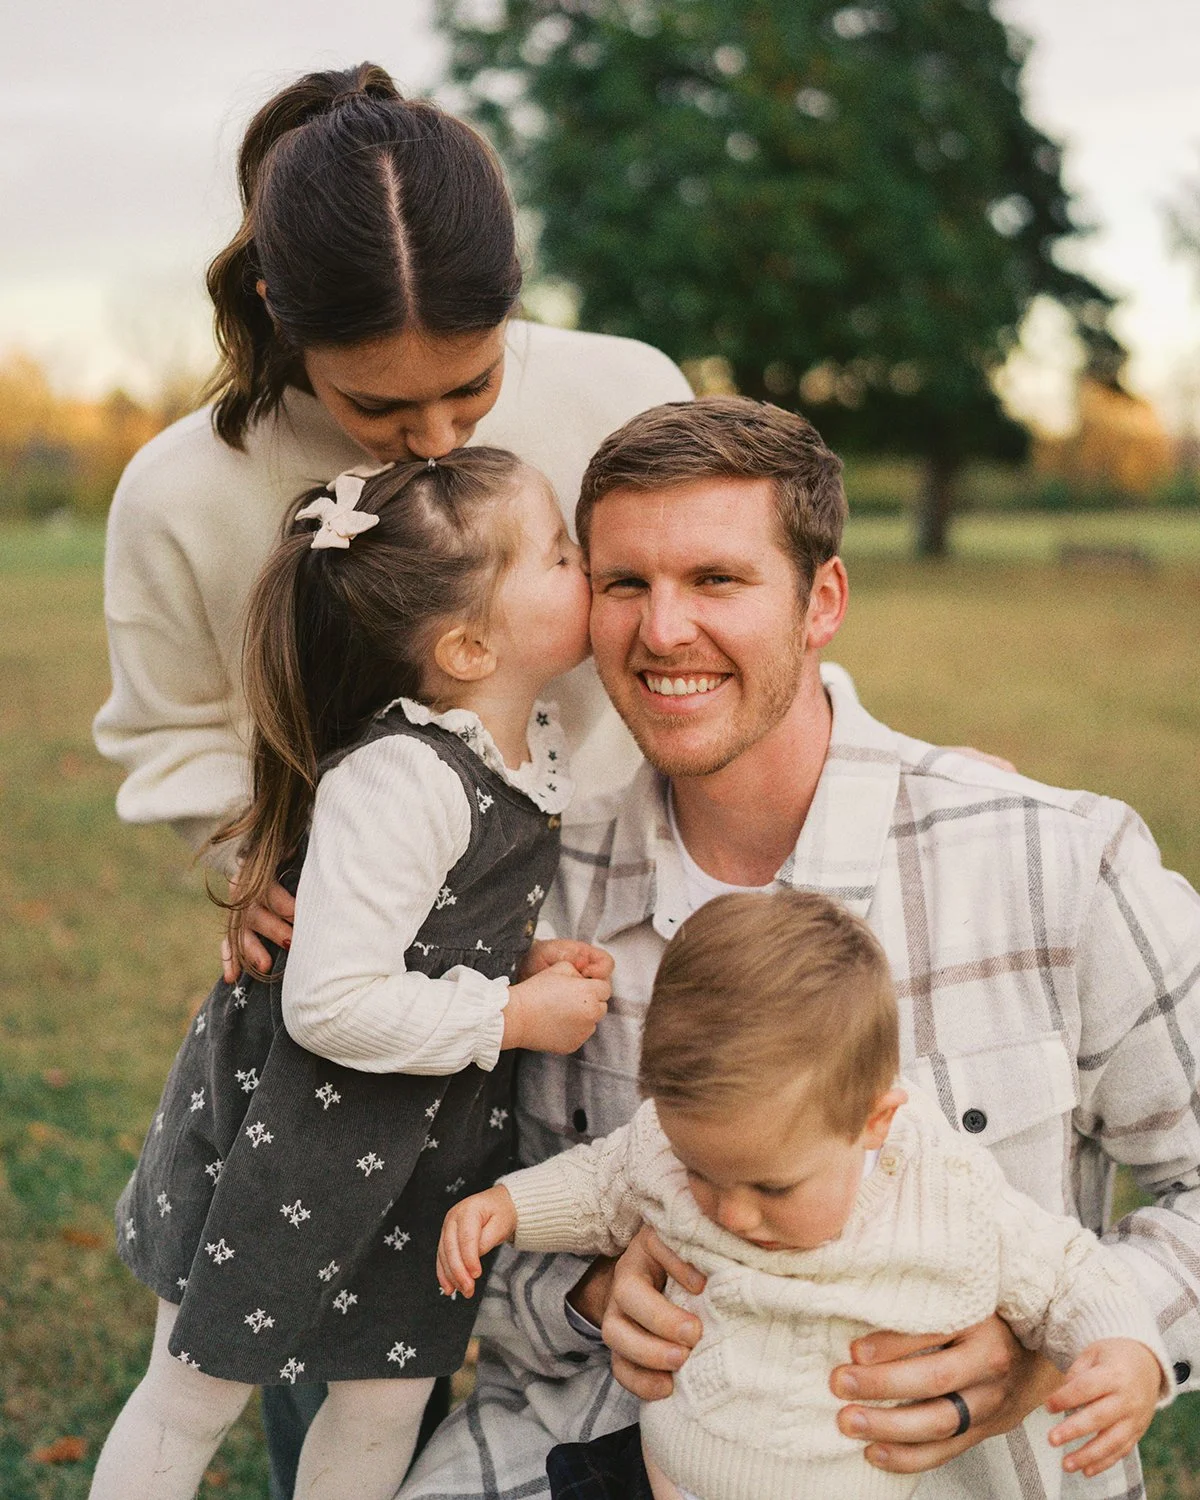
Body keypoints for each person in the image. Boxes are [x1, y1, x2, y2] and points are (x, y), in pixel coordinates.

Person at [399, 397, 1200, 1500]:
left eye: (717, 581)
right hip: (588, 1444)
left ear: (822, 600)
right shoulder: (524, 886)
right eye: (625, 584)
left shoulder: (1052, 858)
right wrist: (580, 1295)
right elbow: (416, 1214)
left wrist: (1061, 1346)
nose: (662, 631)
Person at [90, 60, 692, 1494]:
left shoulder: (626, 392)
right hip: (366, 996)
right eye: (376, 406)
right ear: (289, 334)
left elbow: (721, 604)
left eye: (472, 386)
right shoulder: (182, 491)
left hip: (614, 931)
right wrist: (248, 863)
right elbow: (164, 731)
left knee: (649, 1304)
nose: (437, 440)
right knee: (348, 1353)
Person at [88, 451, 613, 1500]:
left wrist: (518, 958)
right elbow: (327, 1002)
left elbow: (431, 930)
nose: (585, 563)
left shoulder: (518, 747)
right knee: (195, 1392)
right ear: (469, 645)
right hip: (292, 1141)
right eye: (560, 553)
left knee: (384, 1401)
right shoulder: (403, 775)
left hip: (415, 1153)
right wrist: (510, 1013)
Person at [439, 889, 1170, 1499]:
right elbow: (603, 1182)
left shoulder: (943, 1192)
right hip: (661, 1475)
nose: (731, 1211)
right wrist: (507, 1207)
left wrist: (1123, 1348)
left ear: (873, 1121)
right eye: (702, 1173)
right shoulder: (670, 1148)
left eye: (774, 1186)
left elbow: (1069, 1274)